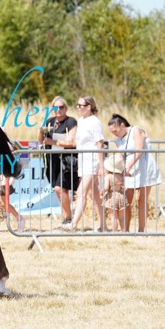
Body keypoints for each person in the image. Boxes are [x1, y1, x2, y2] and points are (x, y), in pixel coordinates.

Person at [107, 113, 162, 232]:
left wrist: (129, 166)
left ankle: (141, 230)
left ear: (122, 125)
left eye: (115, 131)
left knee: (141, 199)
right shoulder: (118, 140)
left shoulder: (136, 130)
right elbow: (120, 156)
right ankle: (125, 230)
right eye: (112, 132)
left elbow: (139, 150)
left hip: (144, 168)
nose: (114, 134)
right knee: (126, 199)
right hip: (129, 171)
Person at [65, 96, 106, 232]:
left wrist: (101, 166)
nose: (78, 107)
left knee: (81, 192)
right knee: (94, 195)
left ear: (88, 107)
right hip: (83, 159)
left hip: (92, 160)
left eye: (80, 105)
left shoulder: (95, 122)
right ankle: (104, 225)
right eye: (77, 105)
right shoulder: (81, 121)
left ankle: (74, 224)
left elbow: (100, 144)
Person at [38, 96, 80, 225]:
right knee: (60, 190)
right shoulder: (49, 121)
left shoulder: (71, 121)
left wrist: (54, 142)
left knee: (59, 189)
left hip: (66, 160)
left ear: (66, 108)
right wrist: (40, 131)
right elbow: (41, 140)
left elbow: (73, 142)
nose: (58, 110)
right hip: (52, 160)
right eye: (55, 107)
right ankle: (66, 218)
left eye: (61, 107)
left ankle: (69, 218)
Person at [101, 153, 127, 232]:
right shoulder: (121, 176)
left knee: (113, 216)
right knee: (121, 217)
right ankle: (124, 231)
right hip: (121, 196)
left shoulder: (108, 177)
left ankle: (114, 231)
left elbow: (106, 188)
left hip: (112, 196)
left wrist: (101, 192)